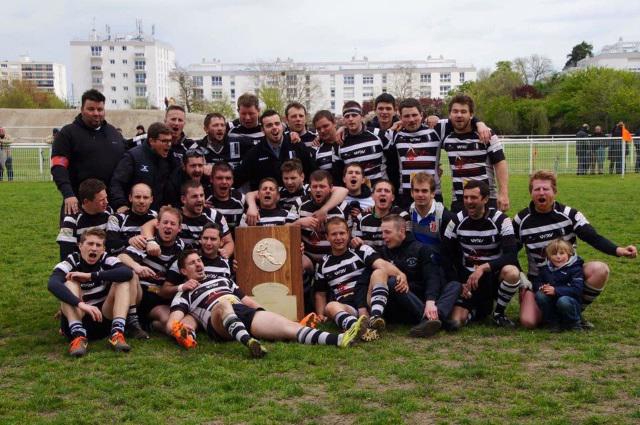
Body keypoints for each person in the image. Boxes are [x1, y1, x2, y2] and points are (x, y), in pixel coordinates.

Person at [166, 250, 368, 355]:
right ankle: (248, 342)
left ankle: (340, 340)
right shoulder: (184, 293)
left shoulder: (223, 280)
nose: (199, 264)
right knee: (223, 305)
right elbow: (172, 324)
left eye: (199, 260)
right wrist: (184, 330)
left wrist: (264, 314)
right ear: (183, 271)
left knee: (289, 328)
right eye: (192, 263)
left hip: (242, 312)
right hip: (217, 321)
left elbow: (248, 301)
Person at [513, 170, 637, 329]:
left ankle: (573, 311)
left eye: (546, 189)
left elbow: (593, 237)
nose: (541, 193)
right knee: (528, 322)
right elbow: (510, 252)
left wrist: (619, 250)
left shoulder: (570, 214)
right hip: (540, 279)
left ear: (554, 192)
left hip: (569, 277)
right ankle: (554, 310)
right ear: (531, 193)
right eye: (537, 189)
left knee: (600, 269)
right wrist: (521, 277)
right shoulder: (520, 220)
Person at [442, 180, 521, 328]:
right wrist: (459, 283)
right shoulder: (456, 220)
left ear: (485, 199)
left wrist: (483, 267)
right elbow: (446, 255)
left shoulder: (501, 220)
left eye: (473, 198)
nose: (468, 201)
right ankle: (477, 311)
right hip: (468, 278)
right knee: (456, 321)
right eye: (465, 197)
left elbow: (511, 255)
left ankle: (499, 314)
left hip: (492, 275)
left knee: (512, 272)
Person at [48, 228, 134, 356]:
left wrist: (91, 276)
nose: (94, 248)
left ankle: (117, 333)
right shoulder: (71, 260)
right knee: (69, 283)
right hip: (78, 317)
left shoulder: (106, 258)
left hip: (102, 319)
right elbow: (52, 283)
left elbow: (127, 273)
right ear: (80, 246)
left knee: (123, 281)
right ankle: (78, 336)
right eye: (90, 243)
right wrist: (81, 304)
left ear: (103, 249)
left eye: (98, 245)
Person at [314, 217, 405, 335]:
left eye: (342, 233)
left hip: (367, 300)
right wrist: (320, 315)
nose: (338, 238)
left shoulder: (361, 250)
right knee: (330, 306)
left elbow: (382, 264)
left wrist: (400, 274)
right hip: (347, 307)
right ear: (327, 237)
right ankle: (357, 327)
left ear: (348, 234)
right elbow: (320, 294)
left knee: (380, 272)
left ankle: (375, 317)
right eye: (334, 234)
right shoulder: (322, 265)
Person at [379, 215, 461, 337]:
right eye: (382, 232)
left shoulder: (421, 249)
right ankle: (437, 320)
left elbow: (432, 277)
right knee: (392, 282)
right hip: (403, 304)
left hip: (423, 297)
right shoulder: (382, 252)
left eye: (387, 232)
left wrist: (430, 301)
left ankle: (429, 319)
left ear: (401, 231)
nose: (383, 236)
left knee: (455, 285)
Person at [51, 89, 125, 219]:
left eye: (100, 109)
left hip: (109, 206)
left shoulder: (113, 133)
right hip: (77, 204)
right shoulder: (67, 134)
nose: (96, 113)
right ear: (82, 109)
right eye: (91, 109)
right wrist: (68, 194)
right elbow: (58, 167)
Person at [118, 206, 185, 332]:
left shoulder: (180, 246)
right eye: (165, 222)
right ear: (158, 225)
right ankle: (132, 321)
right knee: (130, 274)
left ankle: (148, 325)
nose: (168, 226)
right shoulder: (147, 241)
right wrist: (137, 267)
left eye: (172, 224)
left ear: (179, 228)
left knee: (167, 320)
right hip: (140, 295)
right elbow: (121, 257)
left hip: (160, 296)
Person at [441, 94, 509, 213]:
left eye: (463, 111)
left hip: (486, 199)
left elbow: (500, 163)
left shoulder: (486, 134)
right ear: (449, 114)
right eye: (455, 111)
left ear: (471, 114)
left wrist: (503, 193)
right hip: (459, 200)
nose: (459, 115)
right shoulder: (446, 135)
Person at [233, 110, 316, 191]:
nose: (274, 127)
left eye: (277, 124)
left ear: (282, 126)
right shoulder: (254, 153)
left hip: (295, 200)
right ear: (262, 130)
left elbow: (313, 174)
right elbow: (236, 180)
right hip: (267, 203)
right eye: (269, 125)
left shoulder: (297, 145)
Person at [386, 98, 443, 208]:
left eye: (414, 115)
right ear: (400, 118)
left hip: (433, 193)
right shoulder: (395, 135)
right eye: (406, 116)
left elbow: (462, 121)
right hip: (407, 195)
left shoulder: (435, 131)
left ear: (421, 115)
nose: (411, 119)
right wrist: (343, 128)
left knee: (433, 226)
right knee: (407, 225)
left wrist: (480, 124)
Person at [110, 122, 179, 212]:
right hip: (134, 215)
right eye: (164, 141)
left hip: (157, 215)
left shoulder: (169, 159)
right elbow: (117, 182)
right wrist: (120, 204)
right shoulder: (133, 156)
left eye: (170, 141)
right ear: (151, 141)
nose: (169, 145)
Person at [533, 239, 584, 332]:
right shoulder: (545, 268)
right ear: (549, 256)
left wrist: (556, 291)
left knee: (563, 301)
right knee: (540, 295)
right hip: (552, 302)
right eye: (554, 254)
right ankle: (553, 322)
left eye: (561, 253)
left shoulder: (575, 268)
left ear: (568, 254)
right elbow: (537, 281)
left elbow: (577, 289)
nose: (558, 257)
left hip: (569, 301)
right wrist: (541, 286)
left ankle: (574, 323)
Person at [57, 178, 111, 260]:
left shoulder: (108, 213)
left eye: (106, 198)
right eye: (101, 200)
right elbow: (66, 255)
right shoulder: (71, 220)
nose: (106, 202)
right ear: (86, 202)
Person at [338, 101, 387, 184]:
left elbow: (394, 161)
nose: (350, 119)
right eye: (347, 116)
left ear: (361, 116)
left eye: (354, 115)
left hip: (379, 192)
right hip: (357, 195)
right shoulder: (340, 142)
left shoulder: (378, 134)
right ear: (344, 120)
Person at [352, 179, 408, 251]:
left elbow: (407, 245)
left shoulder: (402, 216)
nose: (383, 194)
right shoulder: (360, 218)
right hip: (369, 260)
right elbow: (356, 247)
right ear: (372, 196)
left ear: (393, 197)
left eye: (387, 191)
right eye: (379, 190)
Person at [407, 173, 452, 260]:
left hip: (437, 265)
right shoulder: (408, 214)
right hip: (415, 264)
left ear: (433, 193)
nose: (420, 194)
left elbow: (449, 251)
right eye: (416, 190)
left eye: (424, 191)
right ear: (412, 193)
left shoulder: (444, 216)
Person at [106, 183, 157, 255]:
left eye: (145, 197)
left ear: (151, 199)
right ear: (130, 198)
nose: (141, 201)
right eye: (137, 197)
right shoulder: (117, 219)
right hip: (123, 262)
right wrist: (129, 241)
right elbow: (110, 248)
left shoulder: (157, 217)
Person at [207, 162, 245, 235]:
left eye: (228, 178)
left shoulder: (241, 199)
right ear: (211, 179)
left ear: (232, 180)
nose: (224, 182)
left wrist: (252, 206)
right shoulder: (203, 197)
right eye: (219, 178)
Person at [311, 110, 343, 184]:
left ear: (334, 123)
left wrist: (344, 128)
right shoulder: (316, 150)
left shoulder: (346, 139)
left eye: (325, 126)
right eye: (318, 129)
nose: (322, 130)